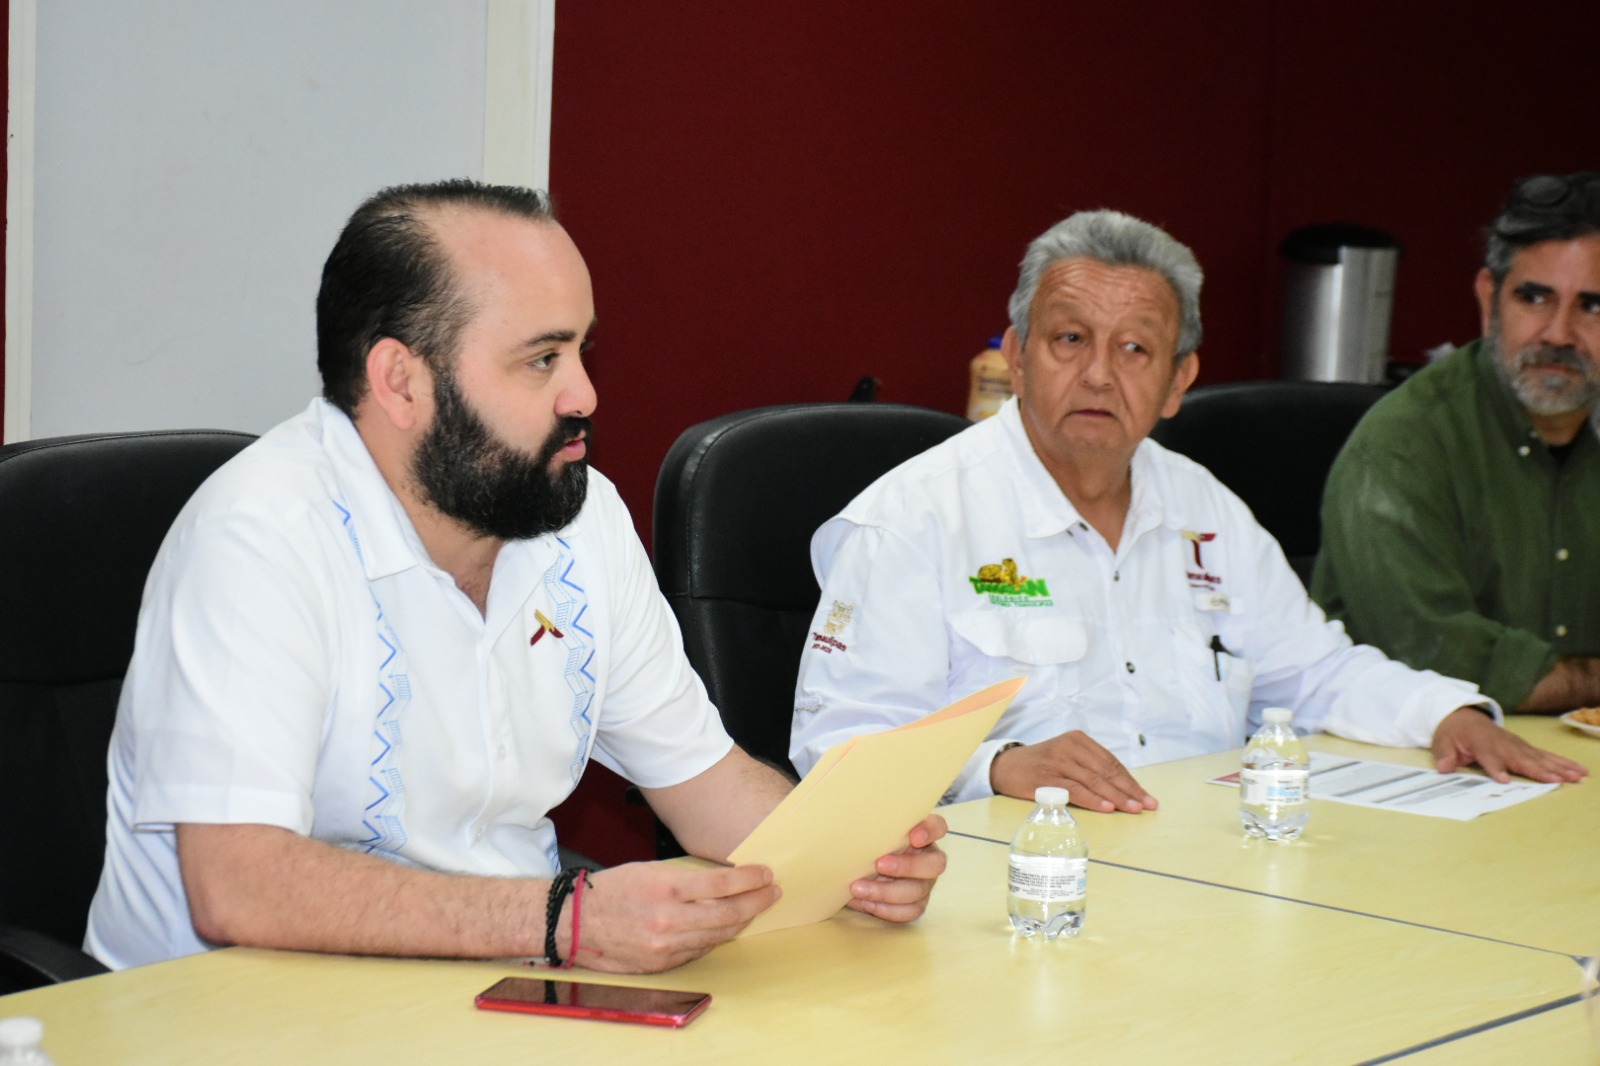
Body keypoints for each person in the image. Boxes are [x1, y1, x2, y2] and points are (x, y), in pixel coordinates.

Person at [86, 180, 945, 973]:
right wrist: (565, 918)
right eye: (541, 359)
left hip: (491, 989)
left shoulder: (578, 516)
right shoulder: (260, 536)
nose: (584, 395)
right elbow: (238, 884)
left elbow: (708, 786)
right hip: (232, 1020)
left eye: (582, 350)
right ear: (401, 381)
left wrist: (854, 855)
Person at [790, 210, 1587, 812]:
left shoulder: (1204, 506)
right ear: (1018, 357)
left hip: (1206, 865)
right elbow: (836, 748)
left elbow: (1313, 673)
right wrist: (995, 767)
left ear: (1178, 382)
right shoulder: (916, 517)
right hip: (1017, 880)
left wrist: (1446, 713)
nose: (1099, 375)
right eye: (1070, 339)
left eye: (1135, 349)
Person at [1314, 172, 1600, 714]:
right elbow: (1443, 663)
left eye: (1593, 306)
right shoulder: (1401, 446)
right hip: (1420, 757)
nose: (1559, 333)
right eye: (1534, 297)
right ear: (1489, 299)